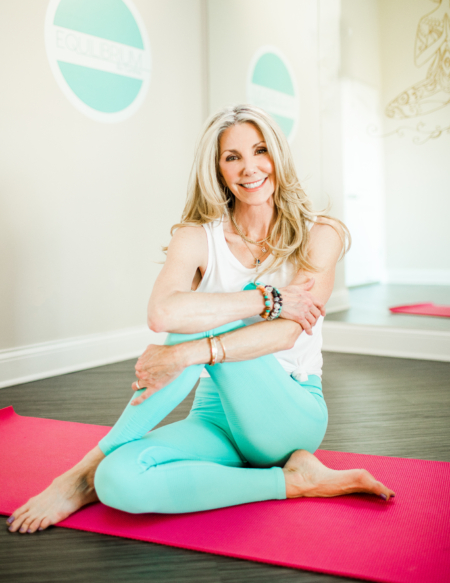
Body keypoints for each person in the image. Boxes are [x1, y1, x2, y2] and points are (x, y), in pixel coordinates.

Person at [7, 104, 394, 534]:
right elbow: (162, 312)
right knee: (117, 481)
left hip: (289, 412)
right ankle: (290, 482)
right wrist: (266, 298)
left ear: (278, 156)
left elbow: (286, 333)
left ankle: (77, 475)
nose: (250, 168)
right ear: (218, 169)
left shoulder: (321, 233)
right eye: (233, 157)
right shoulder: (196, 237)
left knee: (202, 320)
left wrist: (189, 353)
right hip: (214, 417)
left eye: (260, 151)